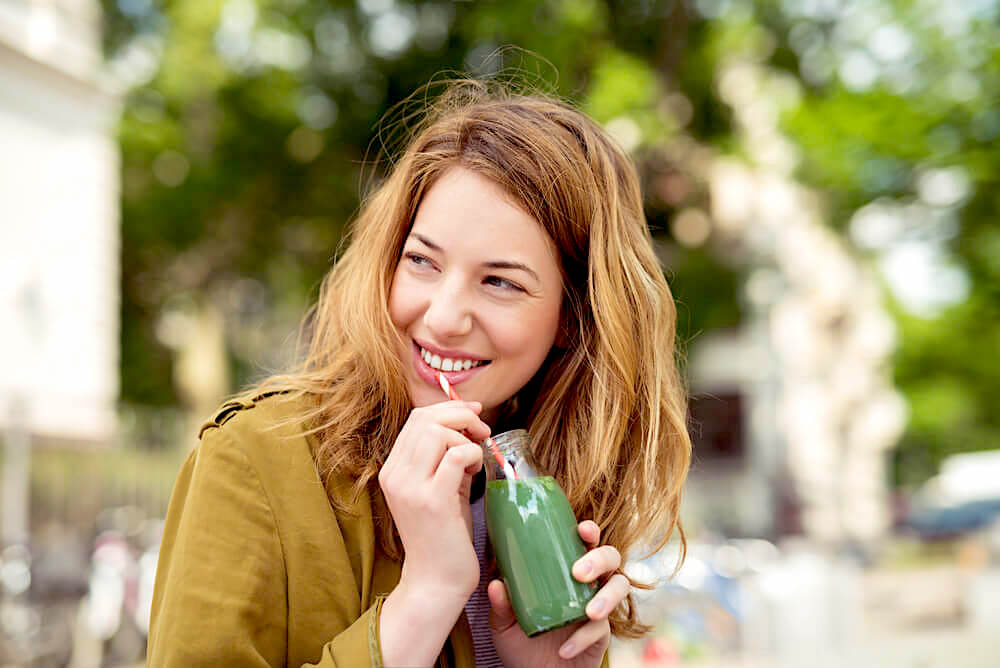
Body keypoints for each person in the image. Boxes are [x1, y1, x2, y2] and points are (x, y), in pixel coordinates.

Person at [147, 78, 691, 667]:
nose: (442, 316)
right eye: (422, 261)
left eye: (500, 282)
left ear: (573, 317)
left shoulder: (558, 491)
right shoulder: (254, 459)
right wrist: (425, 597)